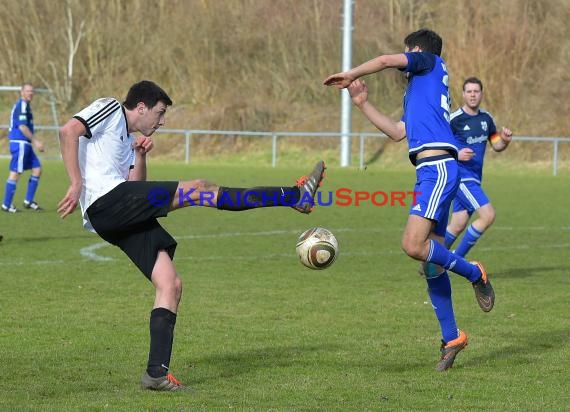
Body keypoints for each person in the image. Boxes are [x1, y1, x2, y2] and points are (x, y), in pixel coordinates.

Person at [57, 80, 326, 391]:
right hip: (107, 204)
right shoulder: (110, 108)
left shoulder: (126, 139)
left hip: (117, 212)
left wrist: (140, 156)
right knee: (201, 189)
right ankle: (294, 195)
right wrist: (75, 182)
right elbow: (69, 131)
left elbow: (136, 184)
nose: (162, 121)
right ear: (140, 108)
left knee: (170, 284)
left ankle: (155, 373)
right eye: (159, 113)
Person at [324, 29, 494, 371]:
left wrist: (351, 73)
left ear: (416, 51)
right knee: (430, 262)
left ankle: (474, 272)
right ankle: (452, 337)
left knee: (413, 245)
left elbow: (387, 60)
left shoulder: (429, 62)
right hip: (428, 172)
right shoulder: (421, 92)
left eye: (407, 53)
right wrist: (362, 103)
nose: (403, 60)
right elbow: (398, 132)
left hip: (438, 169)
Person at [445, 77, 512, 258]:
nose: (473, 95)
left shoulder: (486, 119)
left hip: (475, 178)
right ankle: (456, 260)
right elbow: (440, 146)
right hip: (460, 176)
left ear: (481, 94)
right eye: (469, 91)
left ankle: (429, 261)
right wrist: (456, 154)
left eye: (476, 91)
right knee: (488, 215)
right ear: (463, 94)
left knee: (458, 223)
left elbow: (496, 145)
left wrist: (504, 141)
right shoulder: (454, 119)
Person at [2, 83, 45, 213]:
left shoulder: (26, 107)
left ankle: (28, 201)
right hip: (20, 143)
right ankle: (6, 204)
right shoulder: (22, 105)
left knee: (37, 169)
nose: (30, 93)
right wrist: (36, 141)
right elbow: (22, 127)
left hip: (25, 144)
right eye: (27, 91)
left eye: (32, 91)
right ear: (22, 92)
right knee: (15, 173)